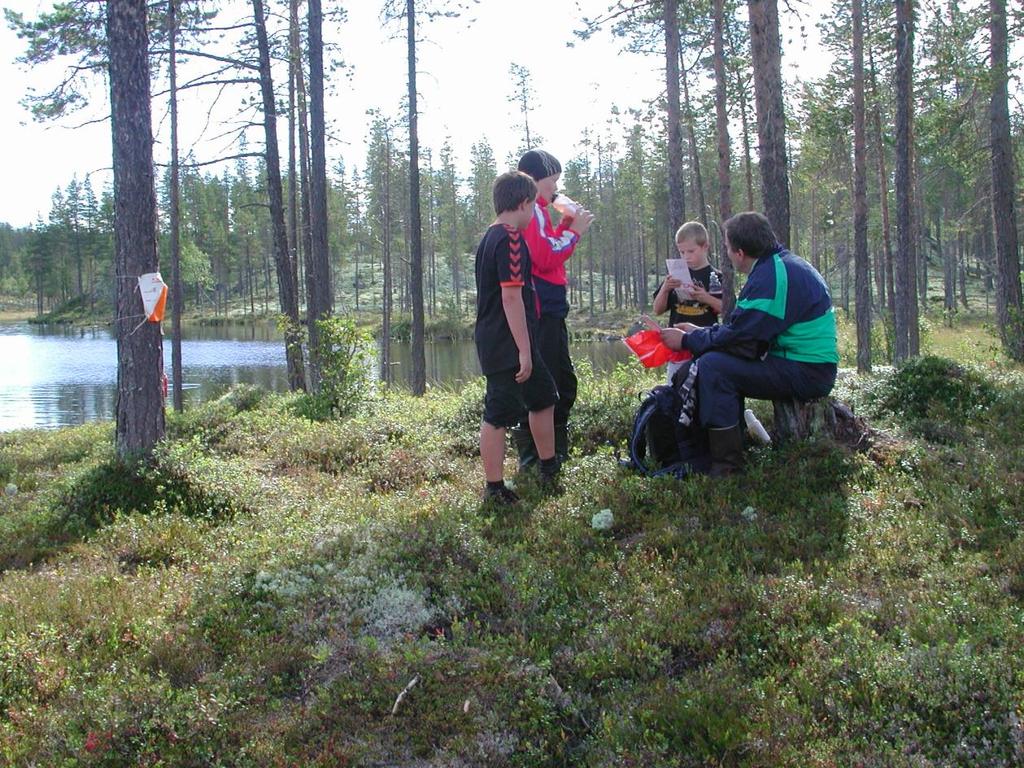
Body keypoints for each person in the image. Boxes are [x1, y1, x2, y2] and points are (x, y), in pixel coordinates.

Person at [660, 211, 839, 475]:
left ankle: (727, 468)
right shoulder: (779, 266)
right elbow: (743, 333)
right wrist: (700, 333)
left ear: (740, 252)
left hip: (808, 370)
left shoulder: (771, 277)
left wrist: (688, 339)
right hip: (801, 363)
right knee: (715, 362)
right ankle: (717, 450)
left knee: (714, 368)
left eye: (728, 248)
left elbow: (742, 339)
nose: (728, 254)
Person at [474, 171, 560, 505]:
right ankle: (494, 489)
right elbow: (511, 298)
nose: (533, 215)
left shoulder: (490, 236)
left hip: (506, 339)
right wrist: (524, 350)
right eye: (533, 208)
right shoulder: (509, 237)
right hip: (506, 342)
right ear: (523, 203)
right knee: (498, 411)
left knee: (542, 396)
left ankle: (548, 468)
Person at [510, 149, 595, 469]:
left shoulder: (542, 212)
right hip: (542, 308)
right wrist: (575, 231)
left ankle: (552, 452)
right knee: (547, 382)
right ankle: (538, 458)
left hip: (550, 306)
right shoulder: (534, 212)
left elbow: (549, 248)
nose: (555, 188)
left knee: (561, 380)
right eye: (552, 181)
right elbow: (545, 257)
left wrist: (569, 225)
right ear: (534, 181)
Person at [652, 221, 723, 382]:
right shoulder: (676, 274)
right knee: (674, 391)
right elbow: (657, 309)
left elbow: (727, 310)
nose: (686, 256)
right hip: (677, 350)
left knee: (705, 390)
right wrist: (665, 288)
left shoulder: (716, 277)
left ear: (705, 246)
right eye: (682, 252)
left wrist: (705, 297)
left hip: (706, 347)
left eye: (691, 251)